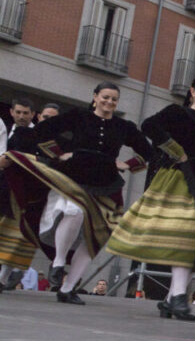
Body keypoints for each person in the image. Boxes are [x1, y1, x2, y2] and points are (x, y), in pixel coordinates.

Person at [107, 76, 195, 322]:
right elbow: (149, 125)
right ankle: (179, 297)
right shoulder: (178, 113)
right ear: (193, 91)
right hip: (183, 180)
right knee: (187, 234)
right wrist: (177, 152)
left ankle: (174, 298)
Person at [0, 82, 155, 304]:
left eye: (114, 99)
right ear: (95, 97)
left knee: (99, 235)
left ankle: (69, 286)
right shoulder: (78, 116)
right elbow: (41, 132)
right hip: (75, 176)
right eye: (105, 97)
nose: (109, 102)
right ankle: (58, 262)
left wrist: (128, 163)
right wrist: (59, 154)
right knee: (75, 212)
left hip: (107, 183)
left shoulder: (124, 126)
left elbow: (148, 151)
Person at [0, 98, 40, 292]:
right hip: (3, 188)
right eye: (18, 112)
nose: (22, 117)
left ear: (33, 114)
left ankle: (3, 277)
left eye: (26, 113)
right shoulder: (5, 129)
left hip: (22, 193)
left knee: (16, 235)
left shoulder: (38, 135)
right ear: (12, 112)